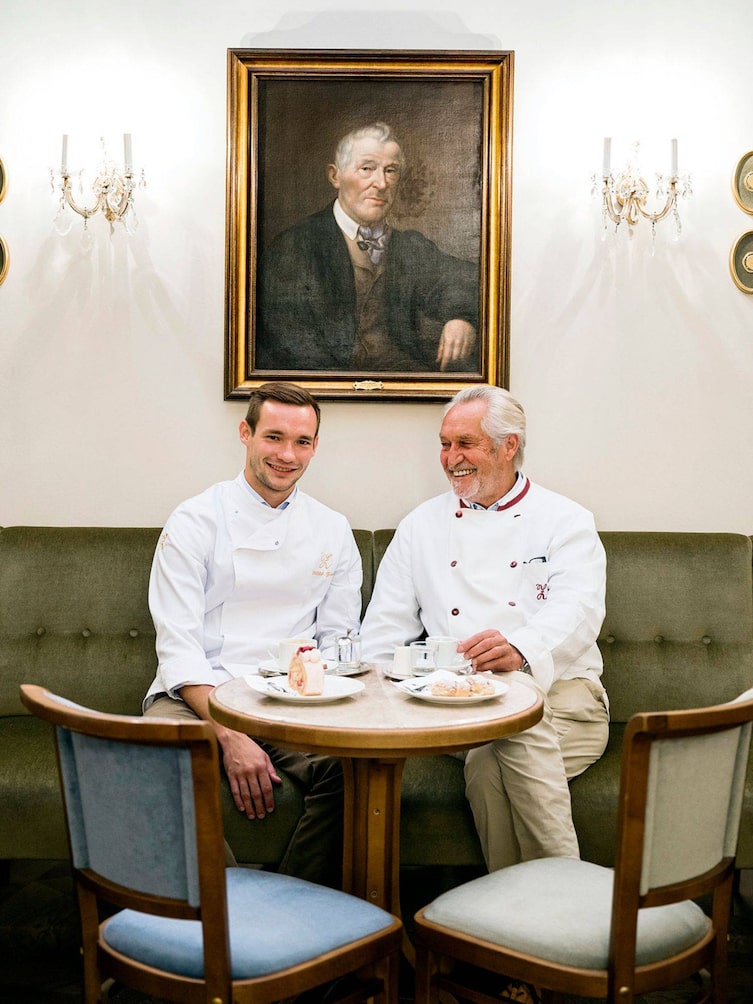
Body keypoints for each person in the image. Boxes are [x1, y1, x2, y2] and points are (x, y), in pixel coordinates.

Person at [361, 384, 609, 875]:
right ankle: (564, 899)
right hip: (453, 709)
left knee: (502, 745)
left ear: (509, 445)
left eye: (465, 443)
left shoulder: (566, 521)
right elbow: (383, 633)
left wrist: (520, 648)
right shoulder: (420, 526)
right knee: (499, 738)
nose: (451, 458)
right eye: (445, 443)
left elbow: (578, 610)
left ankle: (519, 911)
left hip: (564, 699)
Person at [143, 382, 362, 887]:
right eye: (274, 437)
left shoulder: (332, 528)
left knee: (355, 769)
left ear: (314, 446)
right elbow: (178, 644)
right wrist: (229, 733)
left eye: (302, 441)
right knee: (157, 759)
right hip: (198, 693)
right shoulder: (195, 520)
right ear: (246, 434)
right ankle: (224, 915)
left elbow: (337, 639)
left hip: (290, 694)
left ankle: (295, 904)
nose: (287, 455)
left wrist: (319, 700)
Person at [256, 122, 479, 373]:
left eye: (391, 171)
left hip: (403, 388)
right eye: (367, 169)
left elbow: (468, 278)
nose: (381, 183)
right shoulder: (294, 247)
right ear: (335, 176)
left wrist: (461, 318)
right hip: (328, 389)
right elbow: (289, 342)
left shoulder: (409, 247)